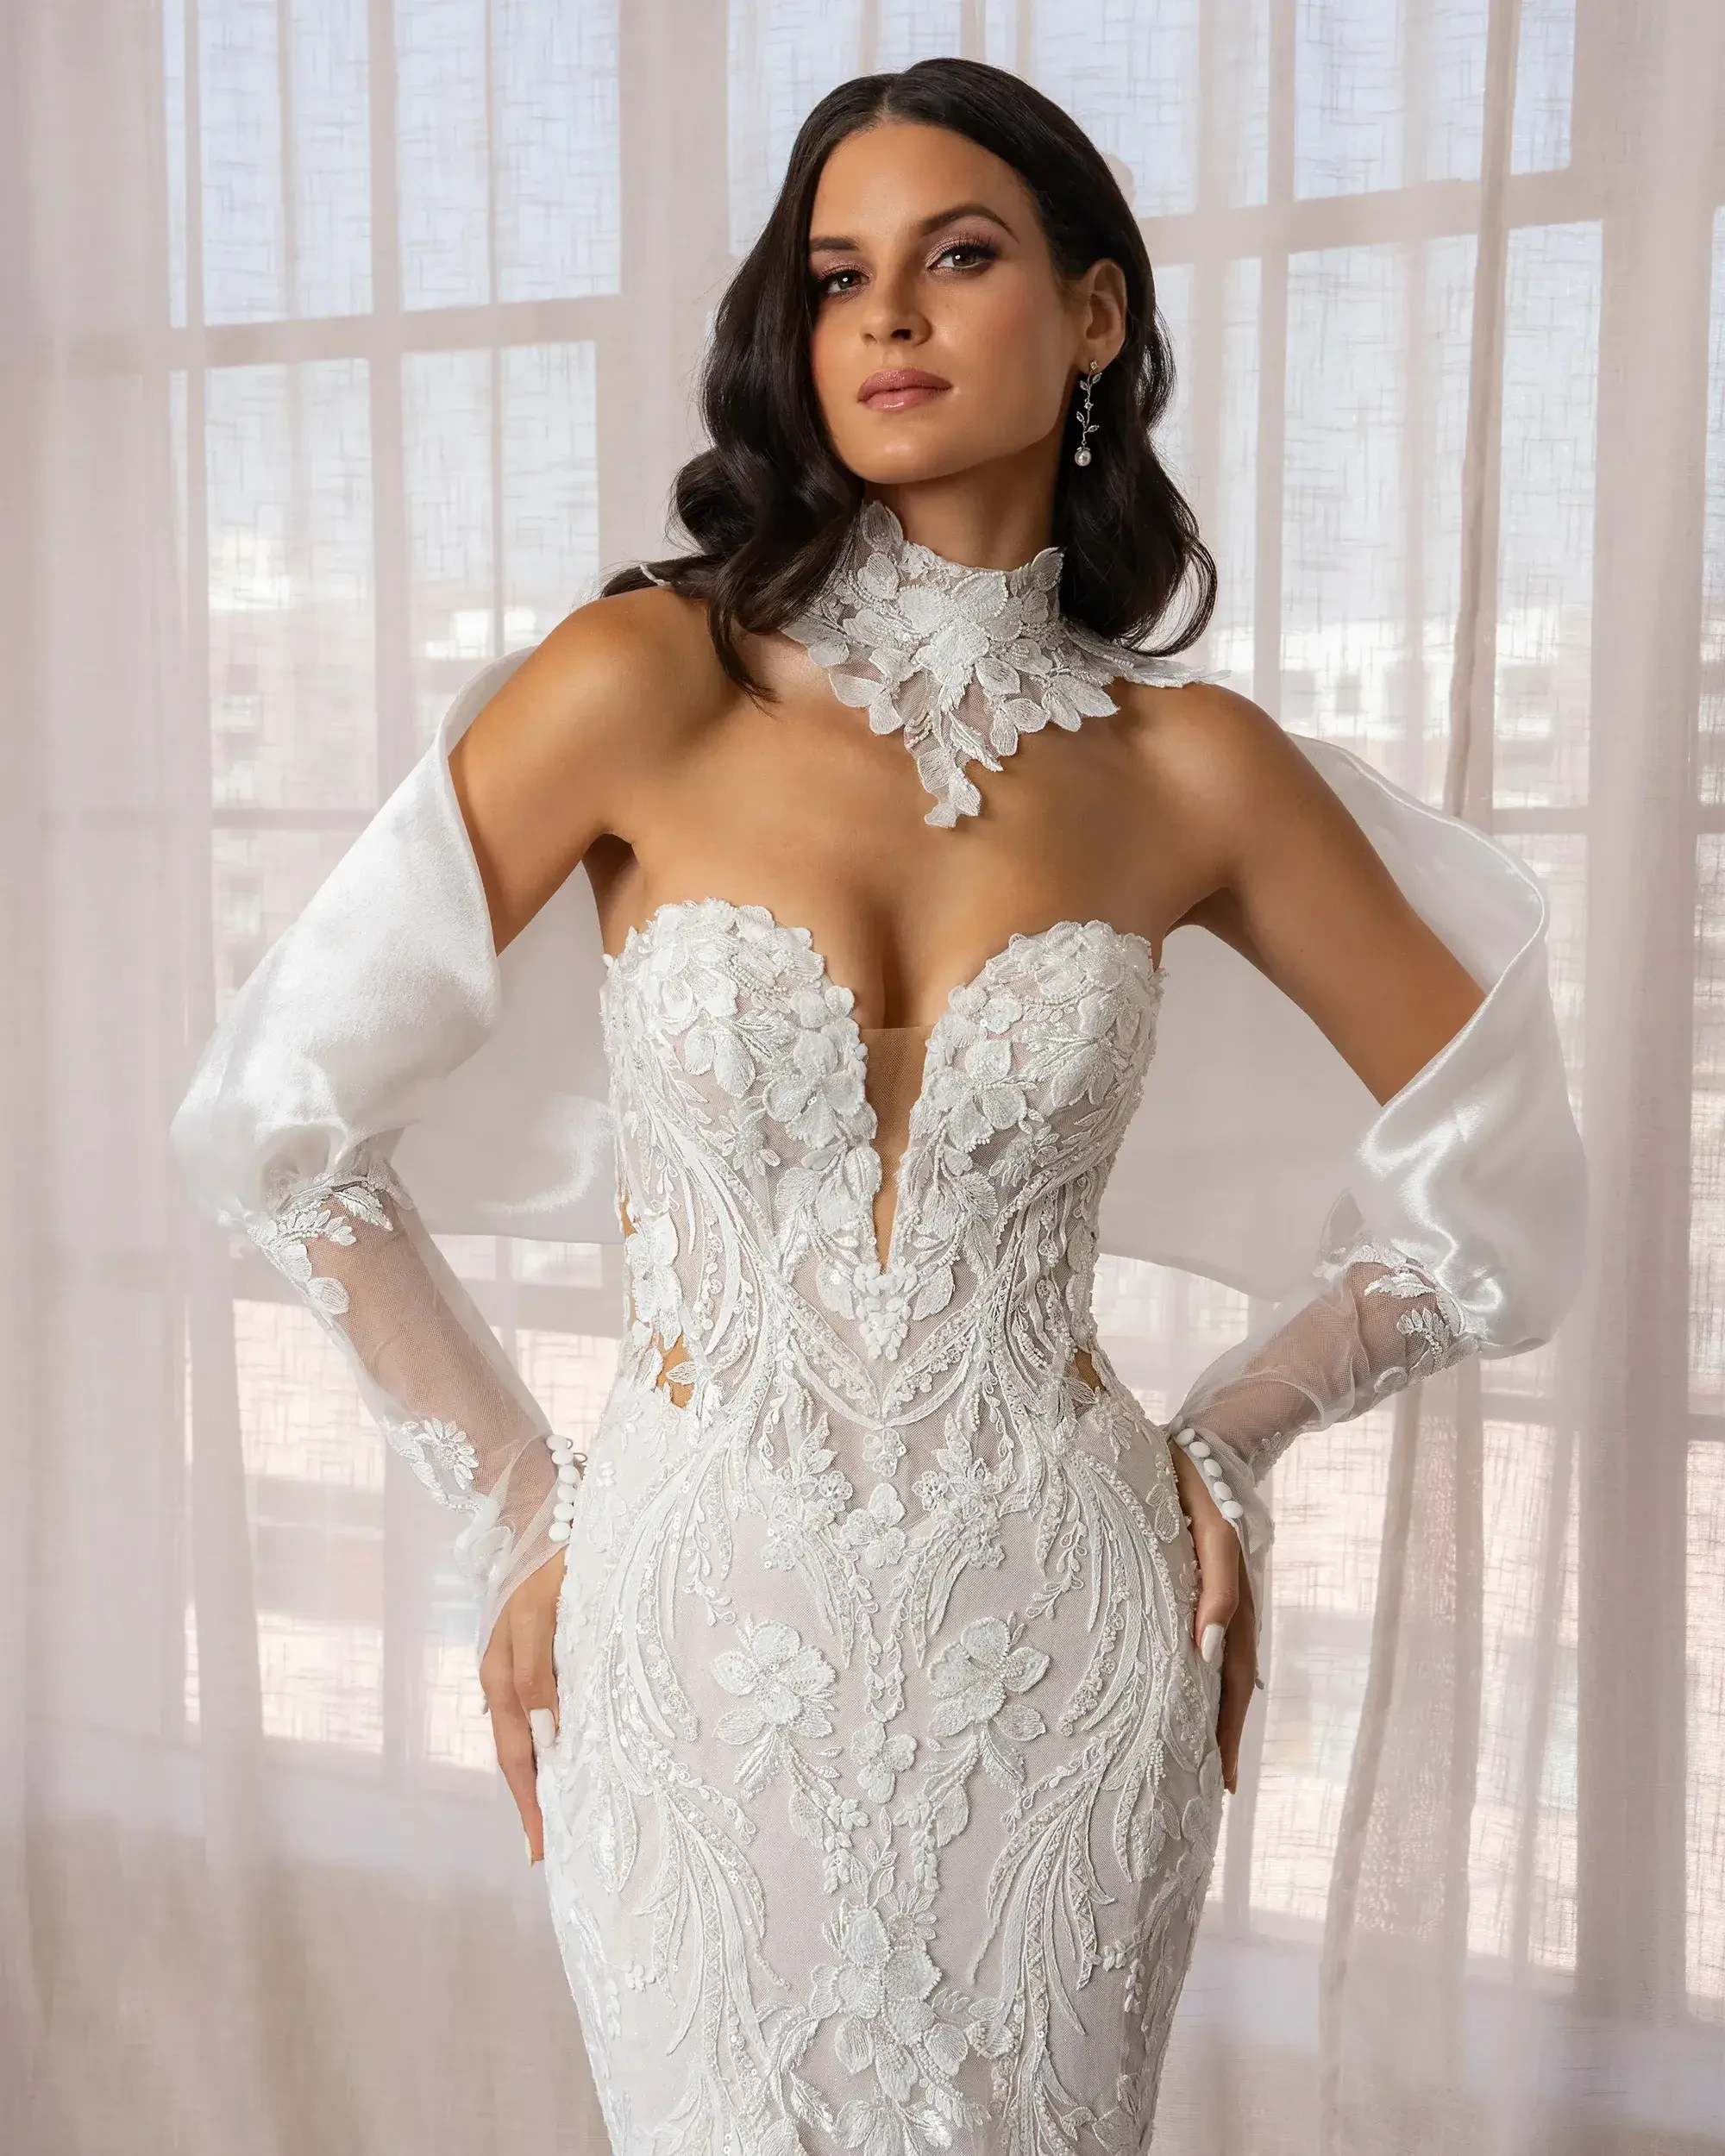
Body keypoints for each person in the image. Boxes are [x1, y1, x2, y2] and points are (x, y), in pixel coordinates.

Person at [169, 56, 1586, 2156]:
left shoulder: (1190, 768)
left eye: (959, 256)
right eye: (839, 276)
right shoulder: (650, 678)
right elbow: (280, 1119)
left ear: (1095, 316)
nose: (889, 319)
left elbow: (1498, 1167)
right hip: (690, 1631)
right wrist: (523, 1502)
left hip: (1065, 1641)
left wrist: (1236, 1429)